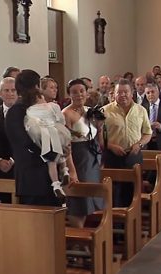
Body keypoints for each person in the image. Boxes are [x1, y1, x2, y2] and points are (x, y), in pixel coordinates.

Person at [6, 69, 64, 207]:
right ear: (35, 87)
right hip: (32, 177)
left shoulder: (39, 108)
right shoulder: (16, 112)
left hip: (48, 176)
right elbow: (27, 142)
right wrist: (54, 151)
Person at [103, 78, 152, 207]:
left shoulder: (141, 110)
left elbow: (148, 133)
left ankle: (132, 221)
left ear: (132, 93)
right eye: (119, 92)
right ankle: (113, 221)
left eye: (126, 92)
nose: (122, 95)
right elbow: (99, 137)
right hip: (112, 156)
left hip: (133, 155)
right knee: (113, 191)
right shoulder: (104, 111)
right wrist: (110, 146)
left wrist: (140, 144)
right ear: (114, 93)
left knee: (133, 191)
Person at [62, 78, 104, 228]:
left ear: (87, 92)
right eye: (74, 92)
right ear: (69, 95)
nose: (79, 95)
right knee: (78, 200)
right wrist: (72, 171)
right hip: (77, 157)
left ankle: (82, 237)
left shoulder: (89, 110)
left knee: (89, 198)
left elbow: (98, 139)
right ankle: (77, 235)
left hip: (92, 157)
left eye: (82, 91)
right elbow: (65, 145)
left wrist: (99, 128)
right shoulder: (66, 114)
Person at [24, 81, 72, 205]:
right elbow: (61, 120)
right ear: (40, 96)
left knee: (50, 161)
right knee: (61, 152)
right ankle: (65, 170)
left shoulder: (30, 110)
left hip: (44, 137)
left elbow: (30, 127)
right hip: (56, 132)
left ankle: (56, 184)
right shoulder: (52, 106)